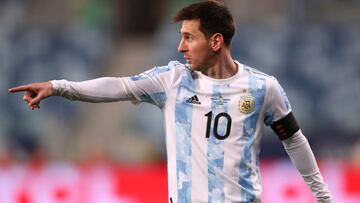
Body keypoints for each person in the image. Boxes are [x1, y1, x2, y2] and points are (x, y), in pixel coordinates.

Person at [9, 1, 332, 202]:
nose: (180, 47)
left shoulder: (263, 88)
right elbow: (118, 86)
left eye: (189, 37)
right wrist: (58, 86)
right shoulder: (172, 80)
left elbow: (294, 140)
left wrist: (323, 197)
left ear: (216, 41)